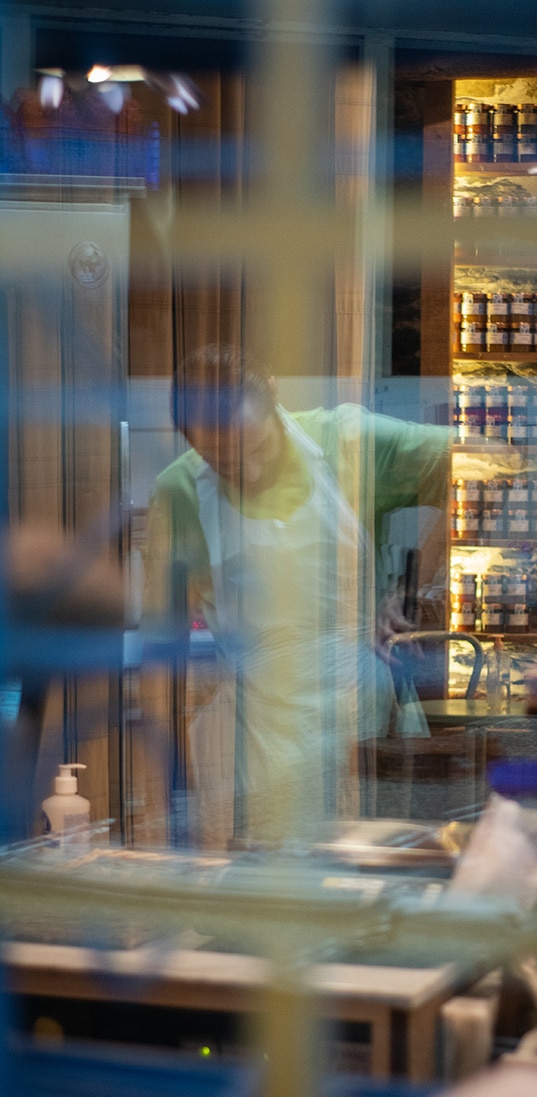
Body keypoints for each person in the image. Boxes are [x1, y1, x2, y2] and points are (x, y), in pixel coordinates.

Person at [142, 345, 451, 848]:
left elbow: (487, 464)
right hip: (260, 750)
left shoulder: (347, 442)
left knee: (376, 898)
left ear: (275, 404)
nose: (251, 473)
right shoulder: (177, 493)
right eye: (220, 461)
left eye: (259, 448)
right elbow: (162, 653)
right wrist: (165, 805)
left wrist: (411, 591)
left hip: (368, 734)